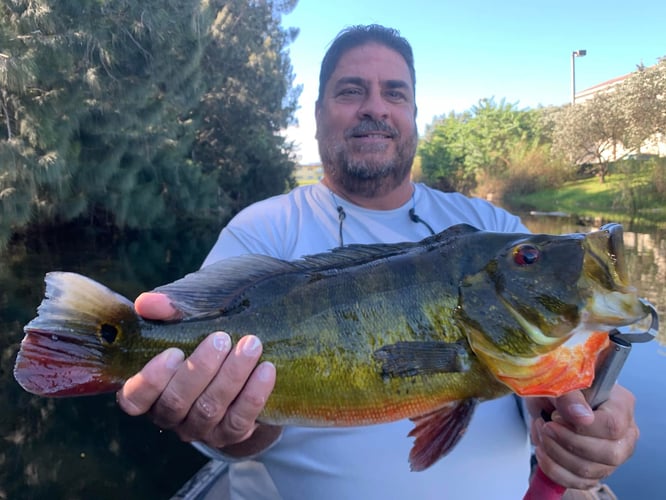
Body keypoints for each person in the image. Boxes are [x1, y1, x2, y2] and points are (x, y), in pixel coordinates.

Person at [117, 25, 638, 499]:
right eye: (350, 90)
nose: (376, 106)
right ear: (318, 113)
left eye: (395, 92)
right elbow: (231, 434)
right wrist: (235, 420)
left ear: (413, 114)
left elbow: (552, 370)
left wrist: (593, 416)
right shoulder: (262, 229)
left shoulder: (488, 225)